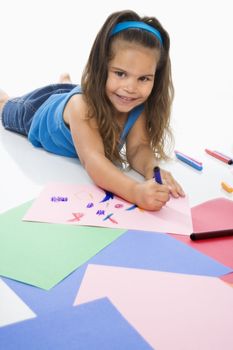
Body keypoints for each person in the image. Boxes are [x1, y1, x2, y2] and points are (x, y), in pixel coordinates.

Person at [0, 10, 185, 211]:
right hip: (37, 109)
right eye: (121, 73)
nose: (131, 87)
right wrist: (135, 191)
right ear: (101, 68)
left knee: (73, 93)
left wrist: (152, 169)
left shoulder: (135, 102)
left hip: (76, 98)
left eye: (143, 78)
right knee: (6, 106)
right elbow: (93, 160)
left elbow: (138, 148)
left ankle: (66, 84)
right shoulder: (82, 107)